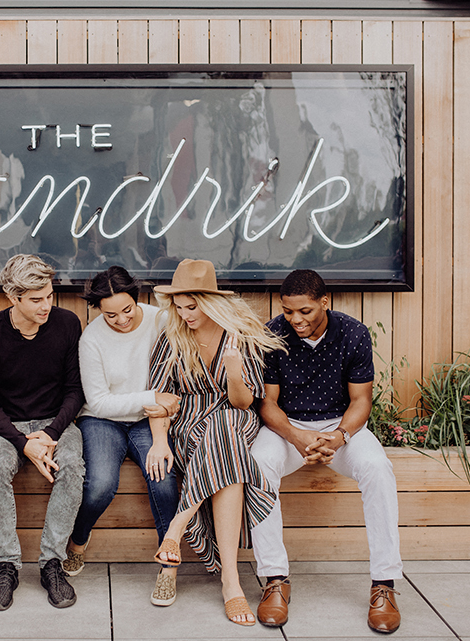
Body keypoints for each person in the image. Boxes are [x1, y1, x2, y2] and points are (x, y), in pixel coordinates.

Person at [250, 269, 403, 633]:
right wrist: (298, 436)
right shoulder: (273, 334)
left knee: (378, 469)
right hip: (289, 427)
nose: (295, 320)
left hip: (342, 426)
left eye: (304, 311)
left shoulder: (352, 333)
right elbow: (267, 404)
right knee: (258, 463)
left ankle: (385, 584)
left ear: (324, 302)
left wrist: (338, 437)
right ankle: (274, 579)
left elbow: (361, 400)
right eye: (288, 311)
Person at [147, 258, 286, 626]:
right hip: (188, 422)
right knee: (229, 459)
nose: (185, 314)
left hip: (235, 414)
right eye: (179, 307)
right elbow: (161, 398)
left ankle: (178, 527)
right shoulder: (171, 338)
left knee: (225, 426)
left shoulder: (240, 335)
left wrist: (235, 370)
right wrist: (159, 442)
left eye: (192, 307)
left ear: (210, 301)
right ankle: (231, 582)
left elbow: (242, 402)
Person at [0, 254, 86, 610]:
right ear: (13, 297)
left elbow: (75, 391)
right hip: (7, 428)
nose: (46, 305)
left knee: (71, 466)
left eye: (49, 295)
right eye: (36, 299)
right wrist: (24, 444)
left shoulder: (67, 323)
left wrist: (50, 433)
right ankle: (7, 566)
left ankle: (52, 562)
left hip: (57, 422)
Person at [62, 266, 182, 606]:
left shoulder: (160, 320)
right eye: (110, 313)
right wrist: (149, 398)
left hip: (151, 420)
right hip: (103, 420)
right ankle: (79, 540)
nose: (121, 319)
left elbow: (171, 382)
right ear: (98, 309)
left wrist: (155, 412)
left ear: (137, 299)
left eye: (127, 310)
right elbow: (98, 401)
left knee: (163, 479)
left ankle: (168, 565)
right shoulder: (92, 339)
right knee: (100, 484)